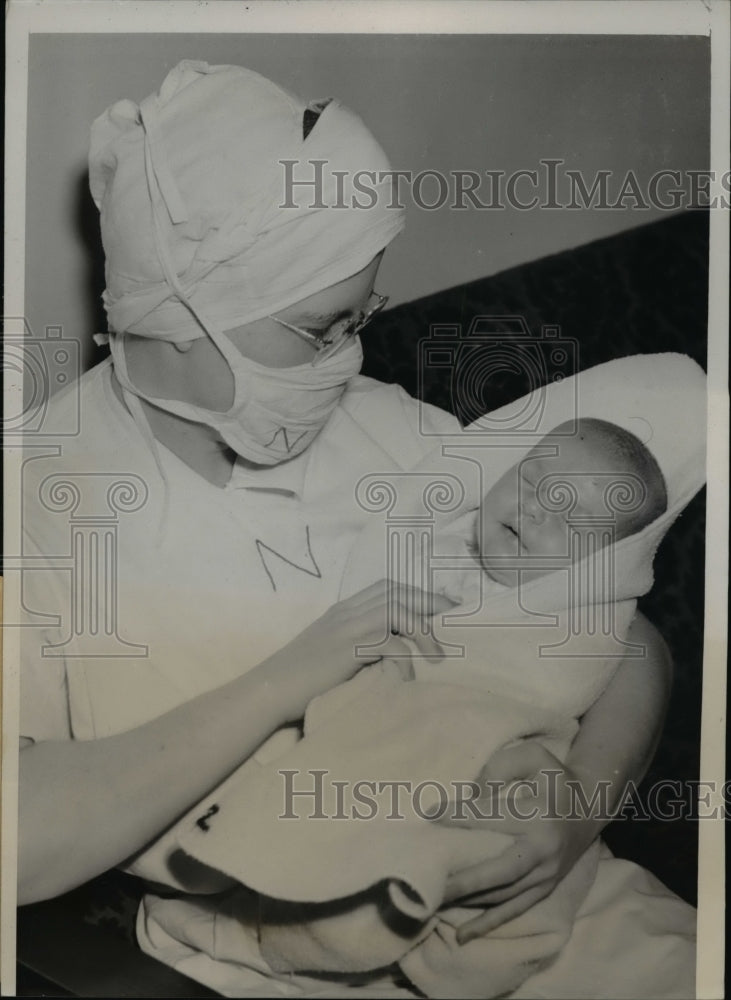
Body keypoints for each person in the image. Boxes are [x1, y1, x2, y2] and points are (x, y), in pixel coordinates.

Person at [18, 61, 691, 998]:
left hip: (530, 897)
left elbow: (619, 634)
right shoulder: (41, 497)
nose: (352, 360)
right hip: (286, 938)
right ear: (176, 314)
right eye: (318, 330)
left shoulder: (381, 426)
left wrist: (577, 806)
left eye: (359, 319)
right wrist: (295, 671)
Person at [162, 394, 701, 999]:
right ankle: (265, 939)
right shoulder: (433, 548)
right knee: (355, 873)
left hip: (509, 776)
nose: (535, 509)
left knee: (508, 902)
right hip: (404, 756)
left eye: (571, 520)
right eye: (532, 479)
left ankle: (451, 962)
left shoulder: (587, 616)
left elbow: (617, 661)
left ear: (605, 567)